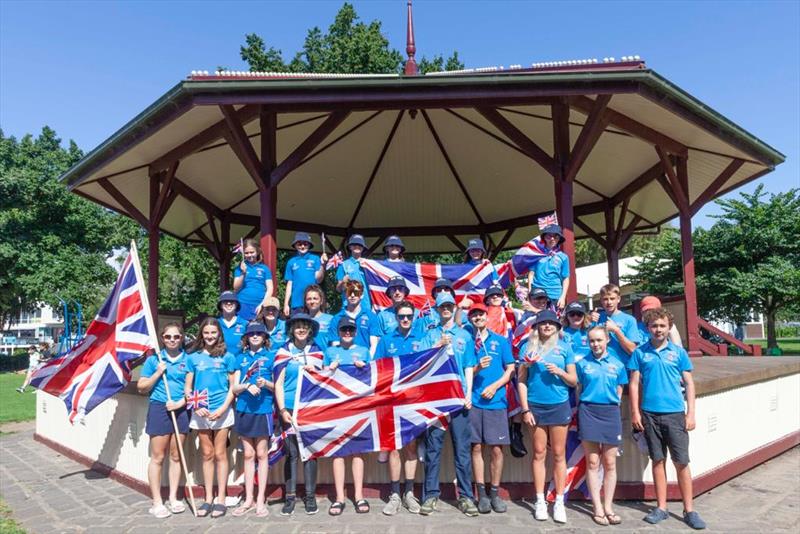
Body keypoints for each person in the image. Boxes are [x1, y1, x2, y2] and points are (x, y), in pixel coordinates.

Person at [628, 308, 706, 530]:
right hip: (650, 414)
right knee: (658, 460)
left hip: (674, 414)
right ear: (647, 328)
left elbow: (689, 383)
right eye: (654, 326)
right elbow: (634, 384)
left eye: (662, 326)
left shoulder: (678, 353)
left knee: (681, 461)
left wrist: (691, 412)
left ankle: (689, 509)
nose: (658, 329)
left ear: (668, 327)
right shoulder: (640, 353)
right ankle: (661, 507)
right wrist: (635, 412)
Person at [419, 292, 479, 517]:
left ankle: (465, 496)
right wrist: (437, 345)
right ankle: (430, 495)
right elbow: (421, 363)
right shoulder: (430, 335)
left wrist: (469, 393)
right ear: (436, 309)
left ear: (455, 308)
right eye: (442, 306)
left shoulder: (464, 335)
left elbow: (469, 366)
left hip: (459, 399)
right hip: (436, 400)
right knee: (433, 449)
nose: (446, 309)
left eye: (449, 306)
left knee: (462, 450)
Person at [516, 310, 577, 524]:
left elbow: (573, 380)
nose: (547, 327)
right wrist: (525, 409)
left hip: (559, 405)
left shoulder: (565, 348)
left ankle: (559, 501)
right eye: (543, 324)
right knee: (539, 453)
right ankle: (540, 500)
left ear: (558, 327)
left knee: (560, 454)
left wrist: (559, 372)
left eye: (551, 323)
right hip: (535, 407)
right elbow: (521, 381)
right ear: (537, 327)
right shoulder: (528, 348)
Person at [375, 300, 427, 515]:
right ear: (395, 317)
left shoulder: (422, 339)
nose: (405, 319)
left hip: (413, 402)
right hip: (391, 401)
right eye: (401, 316)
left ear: (413, 317)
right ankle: (395, 494)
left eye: (408, 316)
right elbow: (376, 370)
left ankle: (409, 493)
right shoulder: (386, 340)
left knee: (411, 448)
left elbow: (428, 367)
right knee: (394, 447)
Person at [575, 326, 628, 526]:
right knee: (593, 462)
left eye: (599, 340)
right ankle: (597, 507)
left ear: (607, 340)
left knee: (610, 463)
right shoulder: (582, 364)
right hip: (588, 412)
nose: (595, 344)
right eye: (592, 341)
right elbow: (579, 388)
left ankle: (608, 506)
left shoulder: (617, 363)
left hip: (610, 413)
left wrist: (614, 402)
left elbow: (620, 387)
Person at [184, 317, 237, 518]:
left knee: (220, 453)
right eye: (206, 333)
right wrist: (196, 406)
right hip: (201, 412)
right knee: (206, 453)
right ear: (201, 334)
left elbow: (232, 387)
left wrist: (223, 408)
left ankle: (221, 498)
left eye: (213, 332)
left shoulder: (228, 357)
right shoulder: (193, 357)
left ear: (219, 334)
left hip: (222, 412)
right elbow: (188, 388)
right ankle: (208, 498)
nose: (210, 336)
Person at [137, 323, 190, 519]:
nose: (172, 340)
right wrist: (159, 373)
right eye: (168, 337)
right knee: (158, 456)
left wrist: (180, 403)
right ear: (162, 338)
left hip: (181, 409)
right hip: (160, 407)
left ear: (182, 338)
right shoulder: (154, 360)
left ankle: (174, 497)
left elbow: (191, 389)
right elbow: (142, 386)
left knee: (176, 456)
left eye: (176, 337)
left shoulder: (188, 360)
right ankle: (157, 501)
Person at [273, 313, 325, 516]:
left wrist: (317, 371)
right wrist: (283, 410)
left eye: (305, 326)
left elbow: (324, 382)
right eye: (297, 326)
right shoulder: (283, 352)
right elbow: (278, 383)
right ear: (291, 330)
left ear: (310, 329)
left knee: (310, 453)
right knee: (292, 453)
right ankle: (290, 497)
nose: (301, 329)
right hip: (289, 408)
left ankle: (310, 497)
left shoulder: (317, 352)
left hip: (310, 408)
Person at [467, 302, 515, 514]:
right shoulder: (469, 342)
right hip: (475, 402)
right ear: (471, 319)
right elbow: (465, 372)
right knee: (476, 447)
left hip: (496, 402)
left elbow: (511, 369)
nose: (478, 318)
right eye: (474, 315)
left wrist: (495, 386)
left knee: (496, 449)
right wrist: (478, 368)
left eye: (481, 314)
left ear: (487, 317)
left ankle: (494, 493)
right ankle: (481, 494)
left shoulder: (501, 341)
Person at [323, 317, 372, 516]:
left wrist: (364, 367)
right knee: (338, 452)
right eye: (344, 330)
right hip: (337, 406)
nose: (347, 333)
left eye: (351, 330)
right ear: (339, 331)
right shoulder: (330, 352)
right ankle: (339, 498)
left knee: (357, 451)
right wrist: (329, 369)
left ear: (355, 331)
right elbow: (322, 379)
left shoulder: (364, 351)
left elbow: (373, 378)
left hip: (358, 406)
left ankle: (359, 495)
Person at [231, 321, 274, 518]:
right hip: (244, 409)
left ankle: (260, 499)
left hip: (264, 409)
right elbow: (234, 388)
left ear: (265, 337)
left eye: (259, 333)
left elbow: (278, 386)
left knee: (262, 453)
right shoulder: (239, 358)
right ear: (246, 338)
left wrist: (265, 383)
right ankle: (248, 498)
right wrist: (247, 386)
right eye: (251, 333)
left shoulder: (272, 357)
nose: (255, 336)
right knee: (248, 455)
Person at [589, 284, 640, 365]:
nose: (609, 302)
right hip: (601, 367)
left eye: (612, 299)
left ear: (618, 299)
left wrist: (616, 330)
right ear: (601, 300)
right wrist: (589, 320)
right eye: (605, 299)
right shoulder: (596, 318)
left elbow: (632, 350)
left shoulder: (629, 320)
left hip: (623, 367)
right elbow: (586, 343)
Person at [283, 232, 326, 317]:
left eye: (305, 244)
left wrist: (323, 265)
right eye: (299, 244)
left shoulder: (315, 259)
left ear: (309, 245)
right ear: (295, 245)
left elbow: (319, 279)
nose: (302, 246)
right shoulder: (291, 262)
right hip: (296, 303)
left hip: (312, 302)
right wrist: (286, 304)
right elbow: (289, 284)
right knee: (297, 328)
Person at [329, 280, 379, 350]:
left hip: (366, 359)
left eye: (356, 293)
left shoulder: (371, 316)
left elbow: (374, 345)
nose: (352, 295)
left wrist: (368, 360)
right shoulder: (337, 318)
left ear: (361, 295)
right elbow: (335, 345)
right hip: (344, 359)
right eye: (349, 292)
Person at [232, 238, 274, 321]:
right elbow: (235, 287)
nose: (249, 255)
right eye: (246, 253)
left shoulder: (264, 268)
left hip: (259, 305)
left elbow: (270, 288)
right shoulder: (239, 268)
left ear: (257, 252)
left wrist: (263, 304)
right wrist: (243, 273)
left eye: (252, 252)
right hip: (242, 304)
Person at [532, 224, 570, 310]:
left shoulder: (563, 257)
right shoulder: (537, 254)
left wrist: (563, 297)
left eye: (556, 236)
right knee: (537, 321)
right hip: (538, 294)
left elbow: (565, 278)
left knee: (555, 322)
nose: (552, 238)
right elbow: (531, 273)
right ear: (544, 238)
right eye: (549, 236)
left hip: (555, 295)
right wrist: (530, 293)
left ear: (559, 238)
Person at [335, 234, 372, 310]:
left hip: (365, 305)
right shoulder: (344, 265)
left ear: (363, 248)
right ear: (350, 247)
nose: (357, 247)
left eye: (360, 245)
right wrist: (343, 282)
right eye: (354, 244)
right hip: (348, 305)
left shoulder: (369, 264)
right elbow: (338, 289)